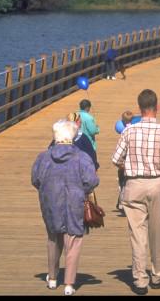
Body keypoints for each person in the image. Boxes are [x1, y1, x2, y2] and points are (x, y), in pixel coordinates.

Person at [111, 89, 160, 295]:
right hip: (156, 184)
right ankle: (158, 274)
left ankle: (139, 279)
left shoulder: (128, 131)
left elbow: (116, 160)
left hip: (133, 186)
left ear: (139, 108)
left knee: (137, 235)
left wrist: (129, 168)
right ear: (157, 107)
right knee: (158, 232)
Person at [32, 119, 99, 296]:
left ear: (56, 137)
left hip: (51, 203)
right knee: (74, 241)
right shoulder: (82, 157)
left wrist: (48, 190)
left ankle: (53, 278)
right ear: (73, 137)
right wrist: (80, 190)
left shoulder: (43, 157)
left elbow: (35, 179)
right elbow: (92, 181)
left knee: (53, 239)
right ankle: (69, 284)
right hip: (75, 203)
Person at [115, 110, 134, 215]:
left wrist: (120, 164)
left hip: (124, 162)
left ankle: (122, 204)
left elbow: (118, 154)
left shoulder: (124, 132)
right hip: (133, 161)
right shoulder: (135, 129)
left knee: (123, 184)